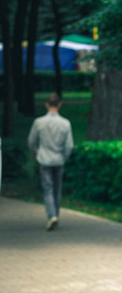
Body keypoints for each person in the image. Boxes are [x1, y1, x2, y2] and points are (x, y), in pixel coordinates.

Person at [28, 93, 74, 231]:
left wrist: (35, 151)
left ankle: (51, 215)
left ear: (47, 105)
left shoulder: (39, 122)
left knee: (48, 189)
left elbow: (31, 141)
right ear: (59, 105)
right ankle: (56, 216)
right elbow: (69, 145)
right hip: (59, 159)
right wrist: (65, 157)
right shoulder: (65, 123)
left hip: (44, 159)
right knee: (57, 189)